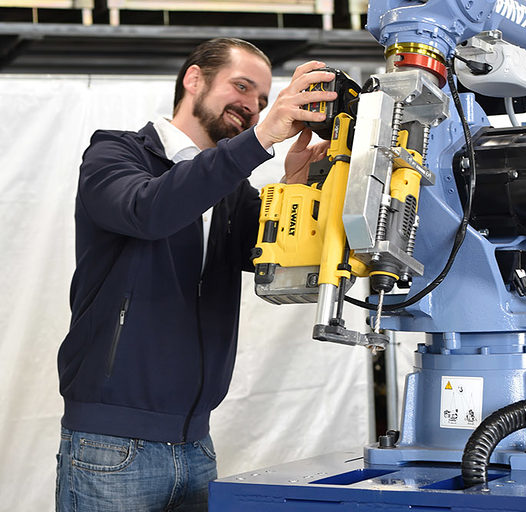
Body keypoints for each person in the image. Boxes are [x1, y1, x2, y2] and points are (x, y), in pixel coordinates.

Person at [55, 38, 337, 511]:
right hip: (109, 444)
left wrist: (296, 186)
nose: (251, 107)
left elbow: (277, 256)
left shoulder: (229, 190)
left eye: (263, 101)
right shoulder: (113, 154)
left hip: (197, 445)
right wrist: (261, 138)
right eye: (242, 87)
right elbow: (151, 211)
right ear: (194, 79)